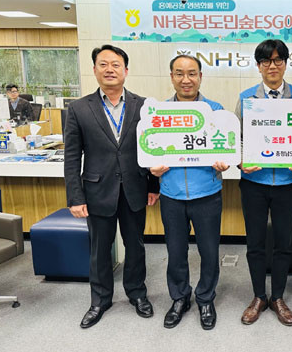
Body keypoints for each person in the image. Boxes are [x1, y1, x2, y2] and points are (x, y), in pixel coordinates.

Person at [64, 44, 159, 329]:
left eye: (115, 65)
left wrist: (153, 185)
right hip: (97, 191)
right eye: (103, 64)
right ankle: (100, 300)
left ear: (125, 70)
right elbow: (72, 156)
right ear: (94, 70)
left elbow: (153, 147)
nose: (109, 69)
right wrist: (75, 197)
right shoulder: (79, 108)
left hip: (134, 188)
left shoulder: (144, 106)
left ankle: (137, 294)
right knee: (100, 250)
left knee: (136, 246)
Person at [150, 55, 229, 331]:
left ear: (200, 76)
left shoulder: (215, 110)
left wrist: (225, 161)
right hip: (171, 194)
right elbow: (150, 150)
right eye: (180, 73)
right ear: (172, 77)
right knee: (175, 251)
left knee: (209, 251)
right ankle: (180, 297)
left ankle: (206, 298)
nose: (186, 79)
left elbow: (226, 147)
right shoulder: (159, 113)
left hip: (207, 193)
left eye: (192, 73)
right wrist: (152, 168)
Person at [235, 39, 292, 326]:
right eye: (266, 61)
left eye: (278, 60)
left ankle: (277, 296)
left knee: (283, 243)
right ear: (258, 66)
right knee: (254, 243)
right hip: (254, 181)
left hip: (287, 182)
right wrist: (240, 161)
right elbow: (236, 139)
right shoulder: (246, 98)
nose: (272, 66)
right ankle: (258, 296)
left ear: (286, 64)